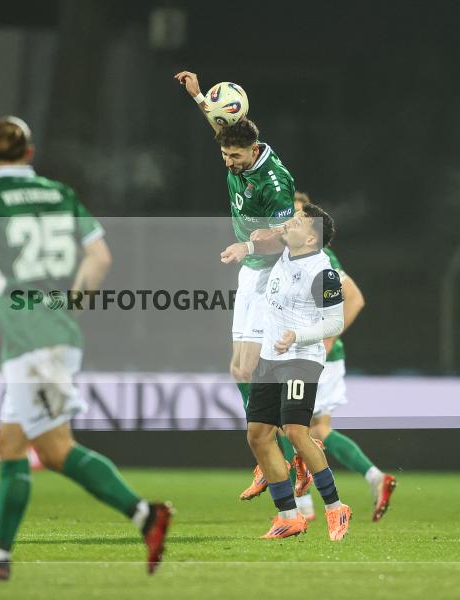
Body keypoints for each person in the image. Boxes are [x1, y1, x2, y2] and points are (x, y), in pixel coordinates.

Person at [0, 116, 172, 582]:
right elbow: (101, 257)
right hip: (52, 331)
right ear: (30, 153)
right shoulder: (60, 194)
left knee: (54, 447)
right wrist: (73, 299)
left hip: (33, 341)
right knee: (22, 445)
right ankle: (1, 556)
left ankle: (143, 515)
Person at [174, 70, 305, 503]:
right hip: (250, 267)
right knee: (239, 370)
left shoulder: (274, 180)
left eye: (235, 158)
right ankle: (283, 456)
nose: (228, 164)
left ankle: (283, 455)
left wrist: (246, 242)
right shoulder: (236, 147)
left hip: (273, 272)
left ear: (254, 150)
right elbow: (221, 129)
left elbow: (285, 232)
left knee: (259, 368)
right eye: (226, 156)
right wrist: (197, 97)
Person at [286, 191, 396, 522]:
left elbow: (355, 298)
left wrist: (327, 339)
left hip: (317, 357)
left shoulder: (321, 257)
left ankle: (301, 507)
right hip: (308, 354)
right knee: (316, 431)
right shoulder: (290, 256)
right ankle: (376, 478)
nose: (287, 220)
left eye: (295, 215)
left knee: (289, 426)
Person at [246, 203, 350, 540]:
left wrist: (298, 335)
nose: (293, 221)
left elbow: (335, 321)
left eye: (301, 220)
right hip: (269, 357)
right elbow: (257, 236)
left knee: (294, 430)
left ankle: (336, 507)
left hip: (301, 358)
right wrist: (244, 246)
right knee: (258, 434)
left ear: (311, 237)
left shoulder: (323, 272)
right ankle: (288, 516)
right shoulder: (282, 255)